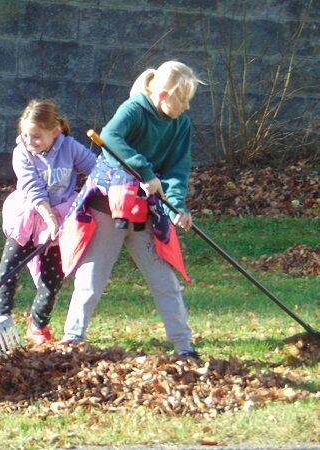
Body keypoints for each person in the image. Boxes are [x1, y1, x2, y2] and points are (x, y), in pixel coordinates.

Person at [59, 61, 204, 358]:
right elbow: (110, 137)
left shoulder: (181, 124)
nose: (187, 107)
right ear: (163, 95)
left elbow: (177, 170)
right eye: (182, 99)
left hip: (145, 213)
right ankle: (72, 341)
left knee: (165, 281)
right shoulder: (135, 109)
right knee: (91, 279)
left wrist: (176, 206)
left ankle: (184, 347)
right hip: (107, 208)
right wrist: (145, 171)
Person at [0, 99, 97, 345]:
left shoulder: (69, 147)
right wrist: (48, 218)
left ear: (55, 131)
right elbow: (33, 188)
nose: (29, 141)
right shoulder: (22, 152)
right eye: (25, 135)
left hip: (61, 220)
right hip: (29, 218)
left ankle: (38, 325)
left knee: (53, 278)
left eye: (36, 136)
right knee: (8, 271)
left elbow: (96, 169)